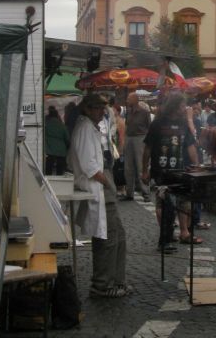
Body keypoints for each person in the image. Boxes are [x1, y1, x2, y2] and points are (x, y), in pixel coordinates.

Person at [67, 93, 129, 298]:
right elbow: (90, 167)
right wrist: (108, 183)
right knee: (108, 237)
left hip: (101, 184)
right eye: (98, 108)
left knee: (117, 234)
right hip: (98, 186)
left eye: (103, 108)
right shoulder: (84, 128)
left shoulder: (90, 126)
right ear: (87, 109)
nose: (102, 112)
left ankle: (116, 280)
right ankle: (103, 284)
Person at [142, 92, 203, 252]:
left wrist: (196, 165)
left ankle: (183, 232)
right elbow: (148, 148)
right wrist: (144, 170)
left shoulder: (183, 123)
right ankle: (165, 239)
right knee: (165, 204)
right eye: (183, 105)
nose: (185, 108)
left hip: (179, 170)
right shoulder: (157, 123)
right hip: (161, 171)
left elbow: (190, 145)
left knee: (184, 202)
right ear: (175, 106)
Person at [122, 92, 151, 202]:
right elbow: (127, 125)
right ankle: (129, 193)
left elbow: (149, 127)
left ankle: (146, 192)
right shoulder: (128, 112)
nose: (127, 101)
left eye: (129, 99)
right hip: (129, 137)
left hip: (140, 138)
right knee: (128, 167)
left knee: (141, 166)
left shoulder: (144, 112)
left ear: (135, 100)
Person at [44, 105, 70, 175]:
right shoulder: (62, 126)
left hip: (49, 151)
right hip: (61, 152)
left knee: (48, 171)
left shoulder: (46, 125)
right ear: (57, 116)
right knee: (60, 171)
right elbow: (67, 139)